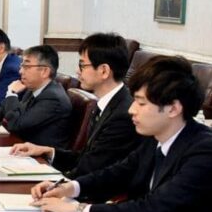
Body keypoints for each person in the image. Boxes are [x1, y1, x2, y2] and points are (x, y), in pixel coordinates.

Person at [31, 55, 212, 212]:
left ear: (173, 109)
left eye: (141, 103)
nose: (131, 110)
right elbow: (118, 173)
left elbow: (154, 206)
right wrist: (69, 187)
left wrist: (78, 211)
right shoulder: (156, 137)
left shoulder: (206, 152)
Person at [12, 33, 142, 178]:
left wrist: (59, 184)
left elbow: (94, 168)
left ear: (104, 71)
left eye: (82, 65)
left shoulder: (123, 114)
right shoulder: (105, 104)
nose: (77, 71)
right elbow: (86, 157)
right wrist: (48, 151)